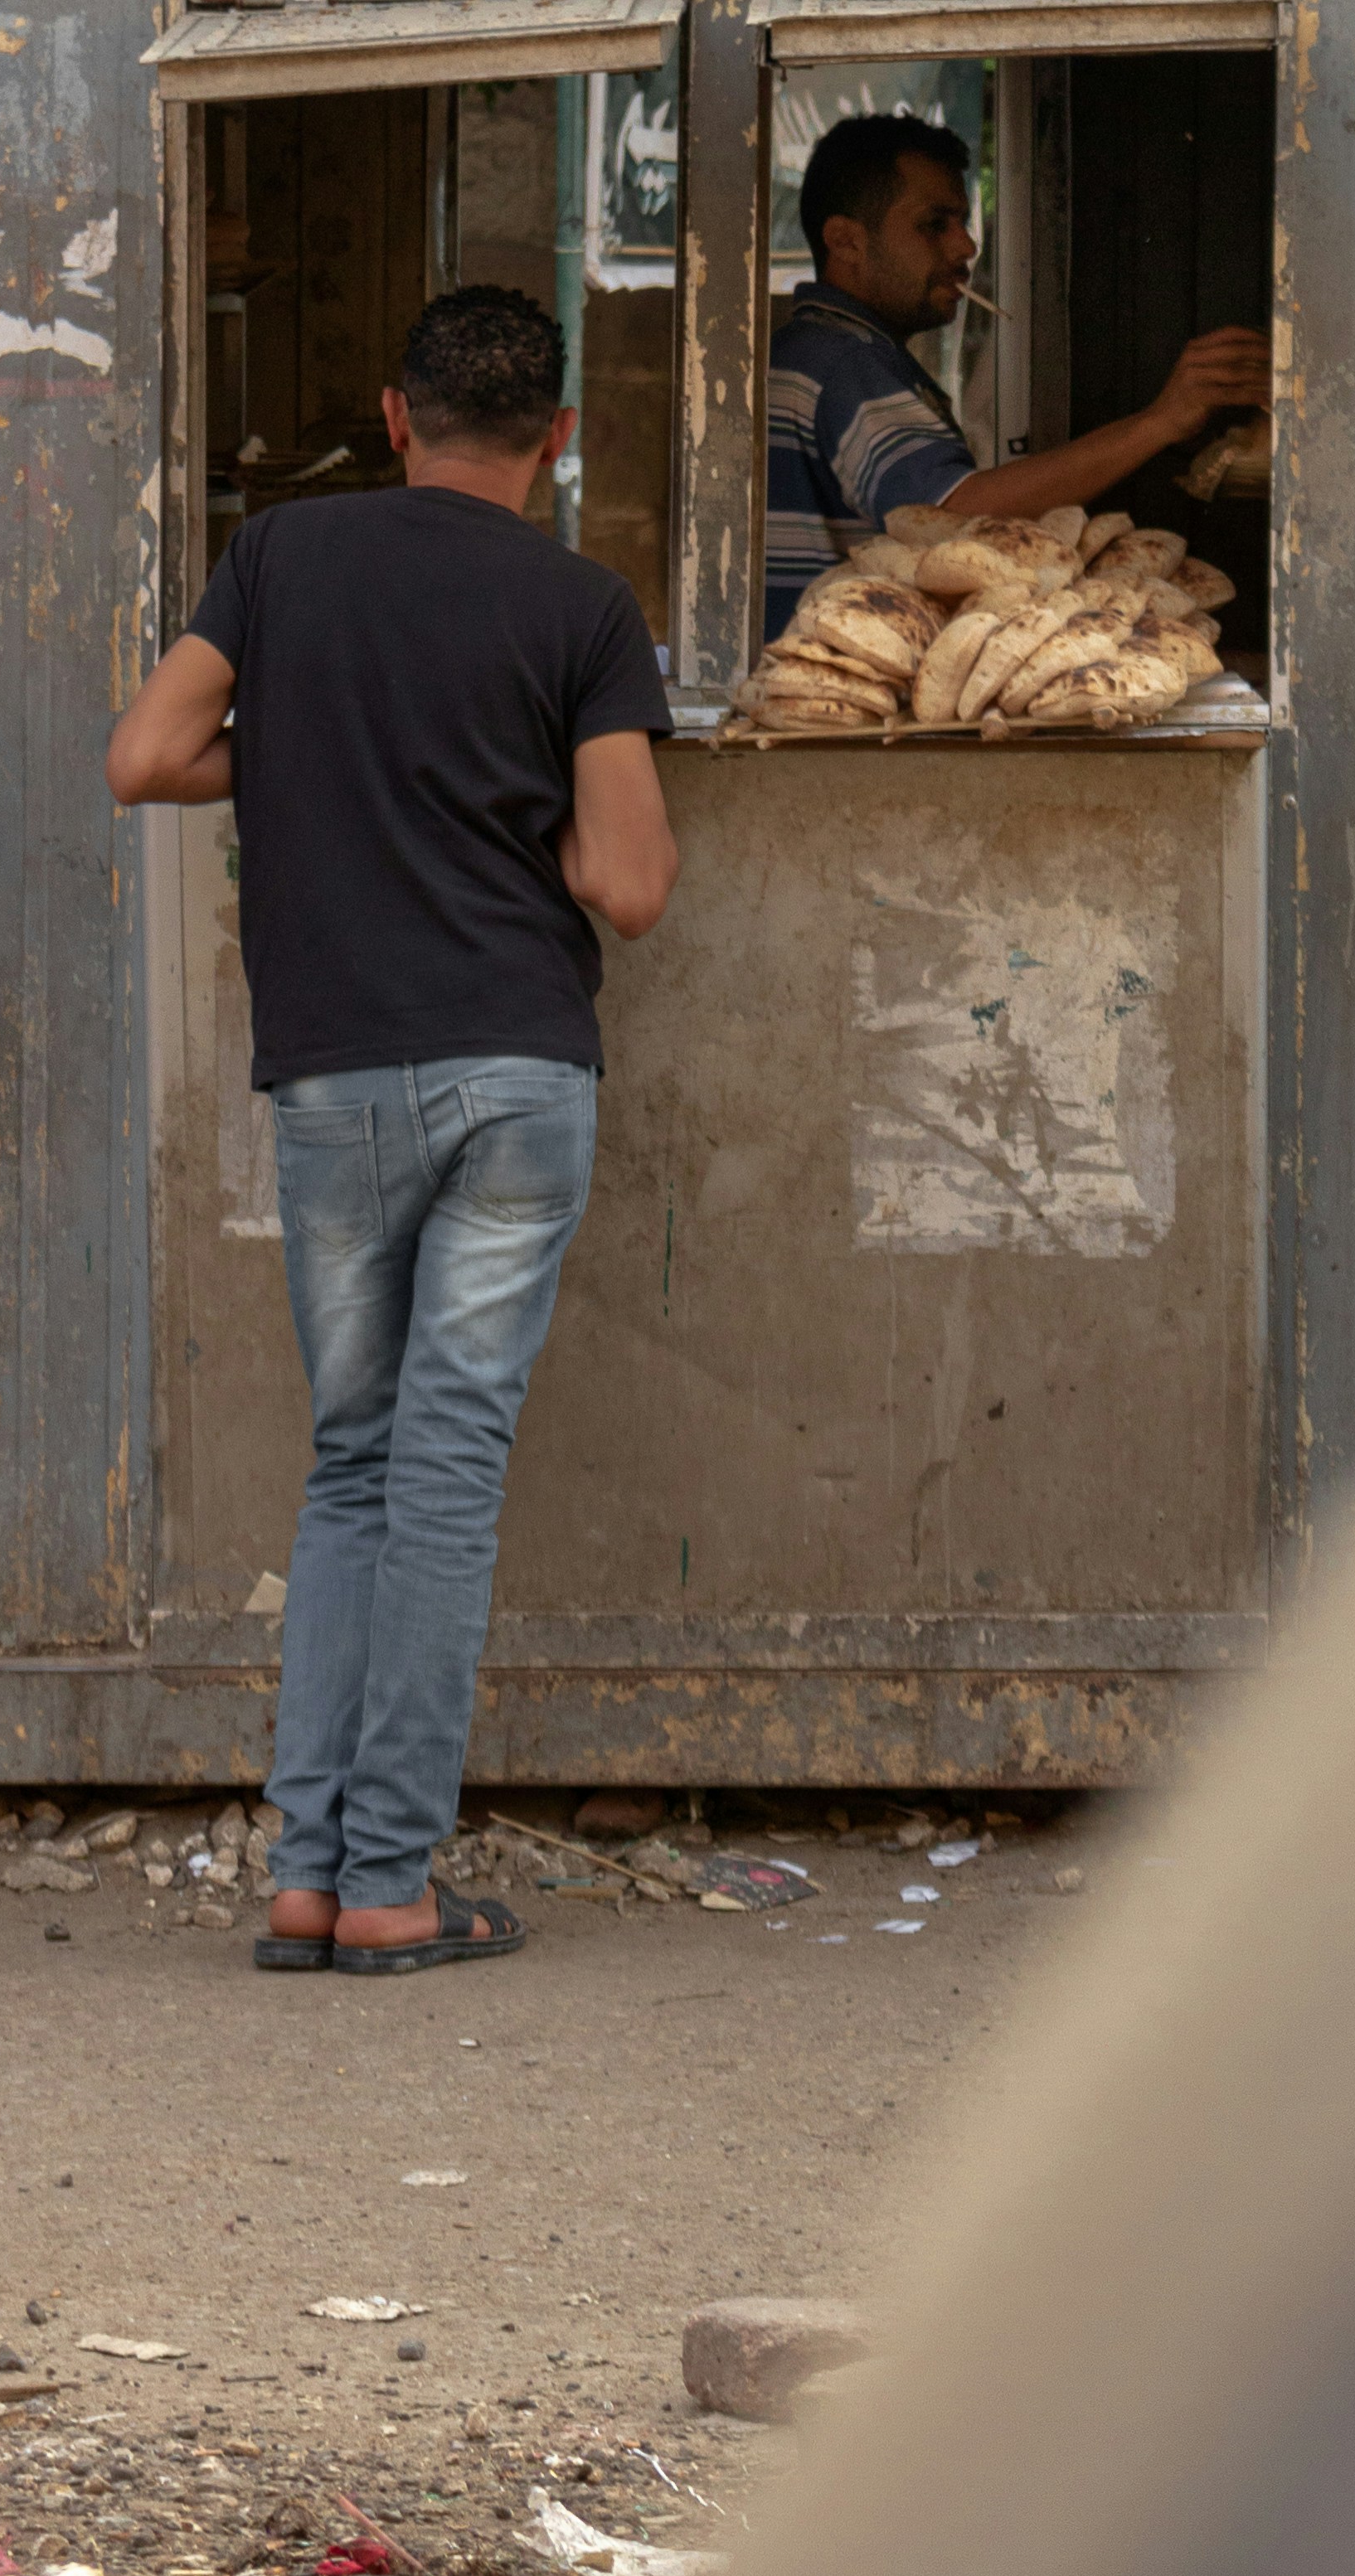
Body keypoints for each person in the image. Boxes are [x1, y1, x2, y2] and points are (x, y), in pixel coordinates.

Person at [106, 288, 678, 1975]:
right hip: (511, 1075)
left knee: (352, 1464)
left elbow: (146, 755)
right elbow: (629, 887)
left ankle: (307, 1871)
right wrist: (551, 828)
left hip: (336, 1075)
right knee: (445, 1474)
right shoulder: (583, 604)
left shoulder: (285, 561)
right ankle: (391, 1890)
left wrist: (292, 753)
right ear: (556, 441)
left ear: (395, 413)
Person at [765, 109, 1271, 633]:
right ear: (846, 241)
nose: (965, 246)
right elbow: (954, 519)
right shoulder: (842, 360)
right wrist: (1160, 422)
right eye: (933, 225)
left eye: (962, 222)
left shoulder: (827, 351)